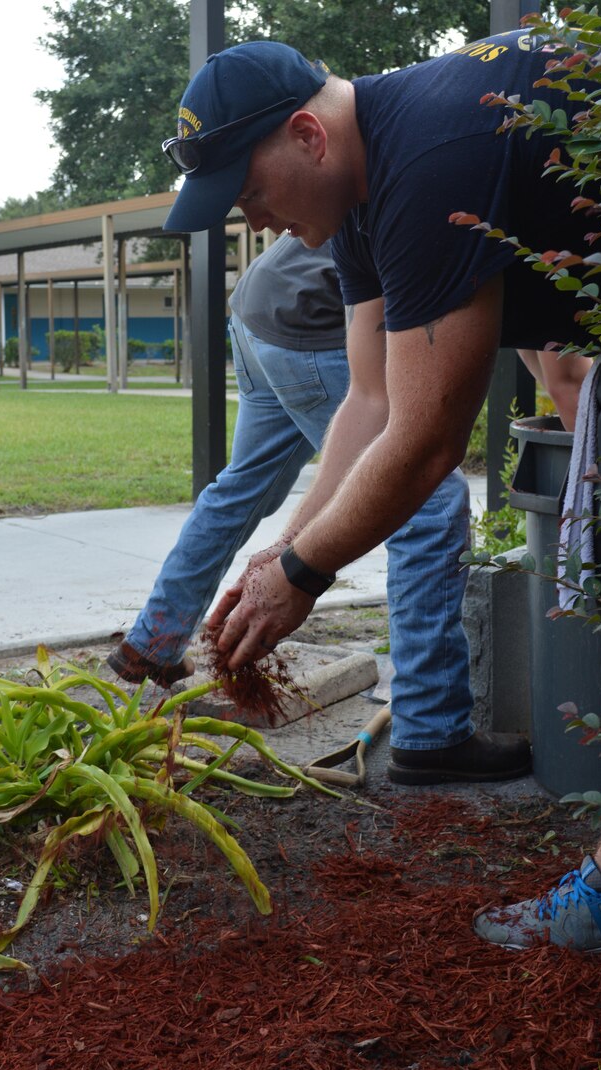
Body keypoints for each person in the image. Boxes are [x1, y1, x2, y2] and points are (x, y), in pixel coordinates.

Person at [159, 34, 601, 955]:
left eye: (249, 191)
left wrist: (304, 575)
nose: (254, 221)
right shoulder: (363, 196)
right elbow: (373, 401)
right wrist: (283, 546)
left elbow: (430, 441)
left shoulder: (433, 153)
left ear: (306, 136)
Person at [108, 232, 531, 784]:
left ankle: (152, 643)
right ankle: (433, 730)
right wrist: (299, 563)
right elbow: (377, 398)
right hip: (313, 323)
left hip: (259, 310)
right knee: (428, 499)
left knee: (244, 485)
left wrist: (292, 548)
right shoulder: (465, 218)